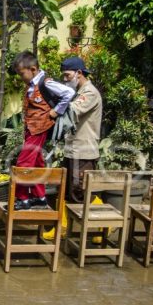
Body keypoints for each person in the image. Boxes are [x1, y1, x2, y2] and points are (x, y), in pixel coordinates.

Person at [12, 51, 75, 210]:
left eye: (21, 74)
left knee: (24, 162)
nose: (20, 77)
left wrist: (57, 111)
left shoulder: (45, 82)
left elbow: (69, 92)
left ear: (33, 69)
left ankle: (22, 198)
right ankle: (39, 197)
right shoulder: (32, 84)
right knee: (37, 161)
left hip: (39, 127)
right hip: (32, 127)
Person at [60, 56, 102, 204]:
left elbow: (72, 110)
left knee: (78, 194)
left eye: (68, 75)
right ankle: (67, 226)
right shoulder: (77, 92)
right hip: (73, 150)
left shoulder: (89, 92)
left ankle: (99, 224)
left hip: (83, 153)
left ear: (79, 72)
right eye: (63, 76)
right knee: (68, 190)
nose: (65, 79)